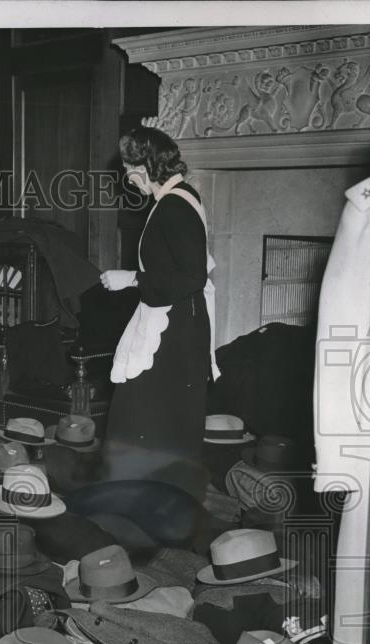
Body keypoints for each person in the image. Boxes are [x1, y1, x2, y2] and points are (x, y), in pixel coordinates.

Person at [100, 125, 216, 492]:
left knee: (143, 420)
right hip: (177, 324)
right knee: (154, 423)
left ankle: (146, 512)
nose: (127, 178)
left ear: (143, 168)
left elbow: (192, 276)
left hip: (175, 332)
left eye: (128, 169)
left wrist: (131, 278)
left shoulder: (174, 205)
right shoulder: (179, 197)